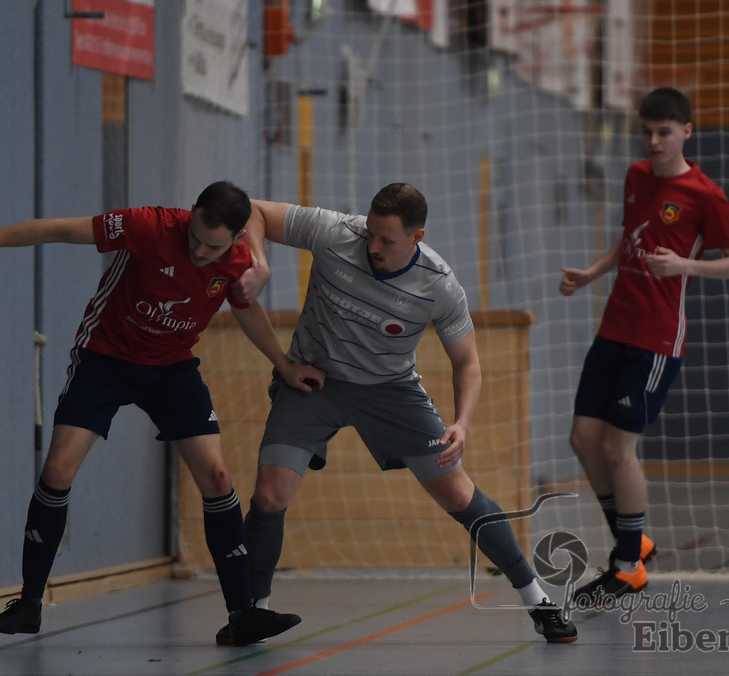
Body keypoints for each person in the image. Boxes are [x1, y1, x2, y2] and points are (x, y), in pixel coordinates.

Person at [0, 181, 322, 646]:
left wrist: (284, 365)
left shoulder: (238, 264)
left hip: (172, 369)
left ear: (233, 240)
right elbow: (55, 230)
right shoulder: (147, 225)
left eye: (214, 246)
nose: (202, 252)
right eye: (196, 239)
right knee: (59, 468)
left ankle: (241, 614)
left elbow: (247, 312)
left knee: (220, 477)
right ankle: (28, 604)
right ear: (190, 216)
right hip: (105, 357)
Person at [215, 183, 578, 645]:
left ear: (416, 236)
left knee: (460, 495)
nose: (373, 247)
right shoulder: (332, 231)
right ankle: (253, 614)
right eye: (370, 234)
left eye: (387, 240)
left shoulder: (439, 285)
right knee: (269, 495)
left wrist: (462, 423)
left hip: (390, 391)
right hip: (313, 381)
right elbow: (252, 211)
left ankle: (538, 601)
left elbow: (467, 363)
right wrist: (260, 262)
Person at [560, 87, 729, 604]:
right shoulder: (637, 176)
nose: (653, 140)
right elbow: (631, 238)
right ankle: (634, 539)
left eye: (664, 132)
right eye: (646, 131)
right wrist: (591, 272)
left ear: (686, 132)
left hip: (656, 339)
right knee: (582, 440)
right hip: (614, 326)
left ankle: (628, 568)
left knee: (619, 448)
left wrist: (684, 265)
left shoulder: (706, 195)